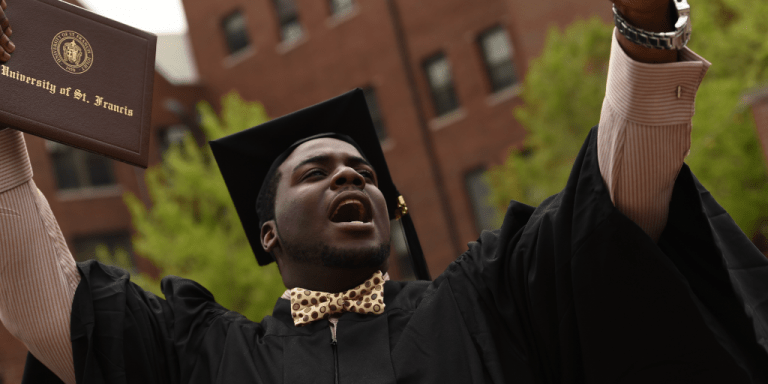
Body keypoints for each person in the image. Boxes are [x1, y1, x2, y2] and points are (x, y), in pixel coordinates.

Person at [1, 0, 767, 383]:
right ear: (267, 233)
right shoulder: (208, 356)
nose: (350, 175)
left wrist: (645, 29)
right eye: (316, 172)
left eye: (364, 174)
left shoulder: (485, 301)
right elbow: (47, 301)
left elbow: (613, 212)